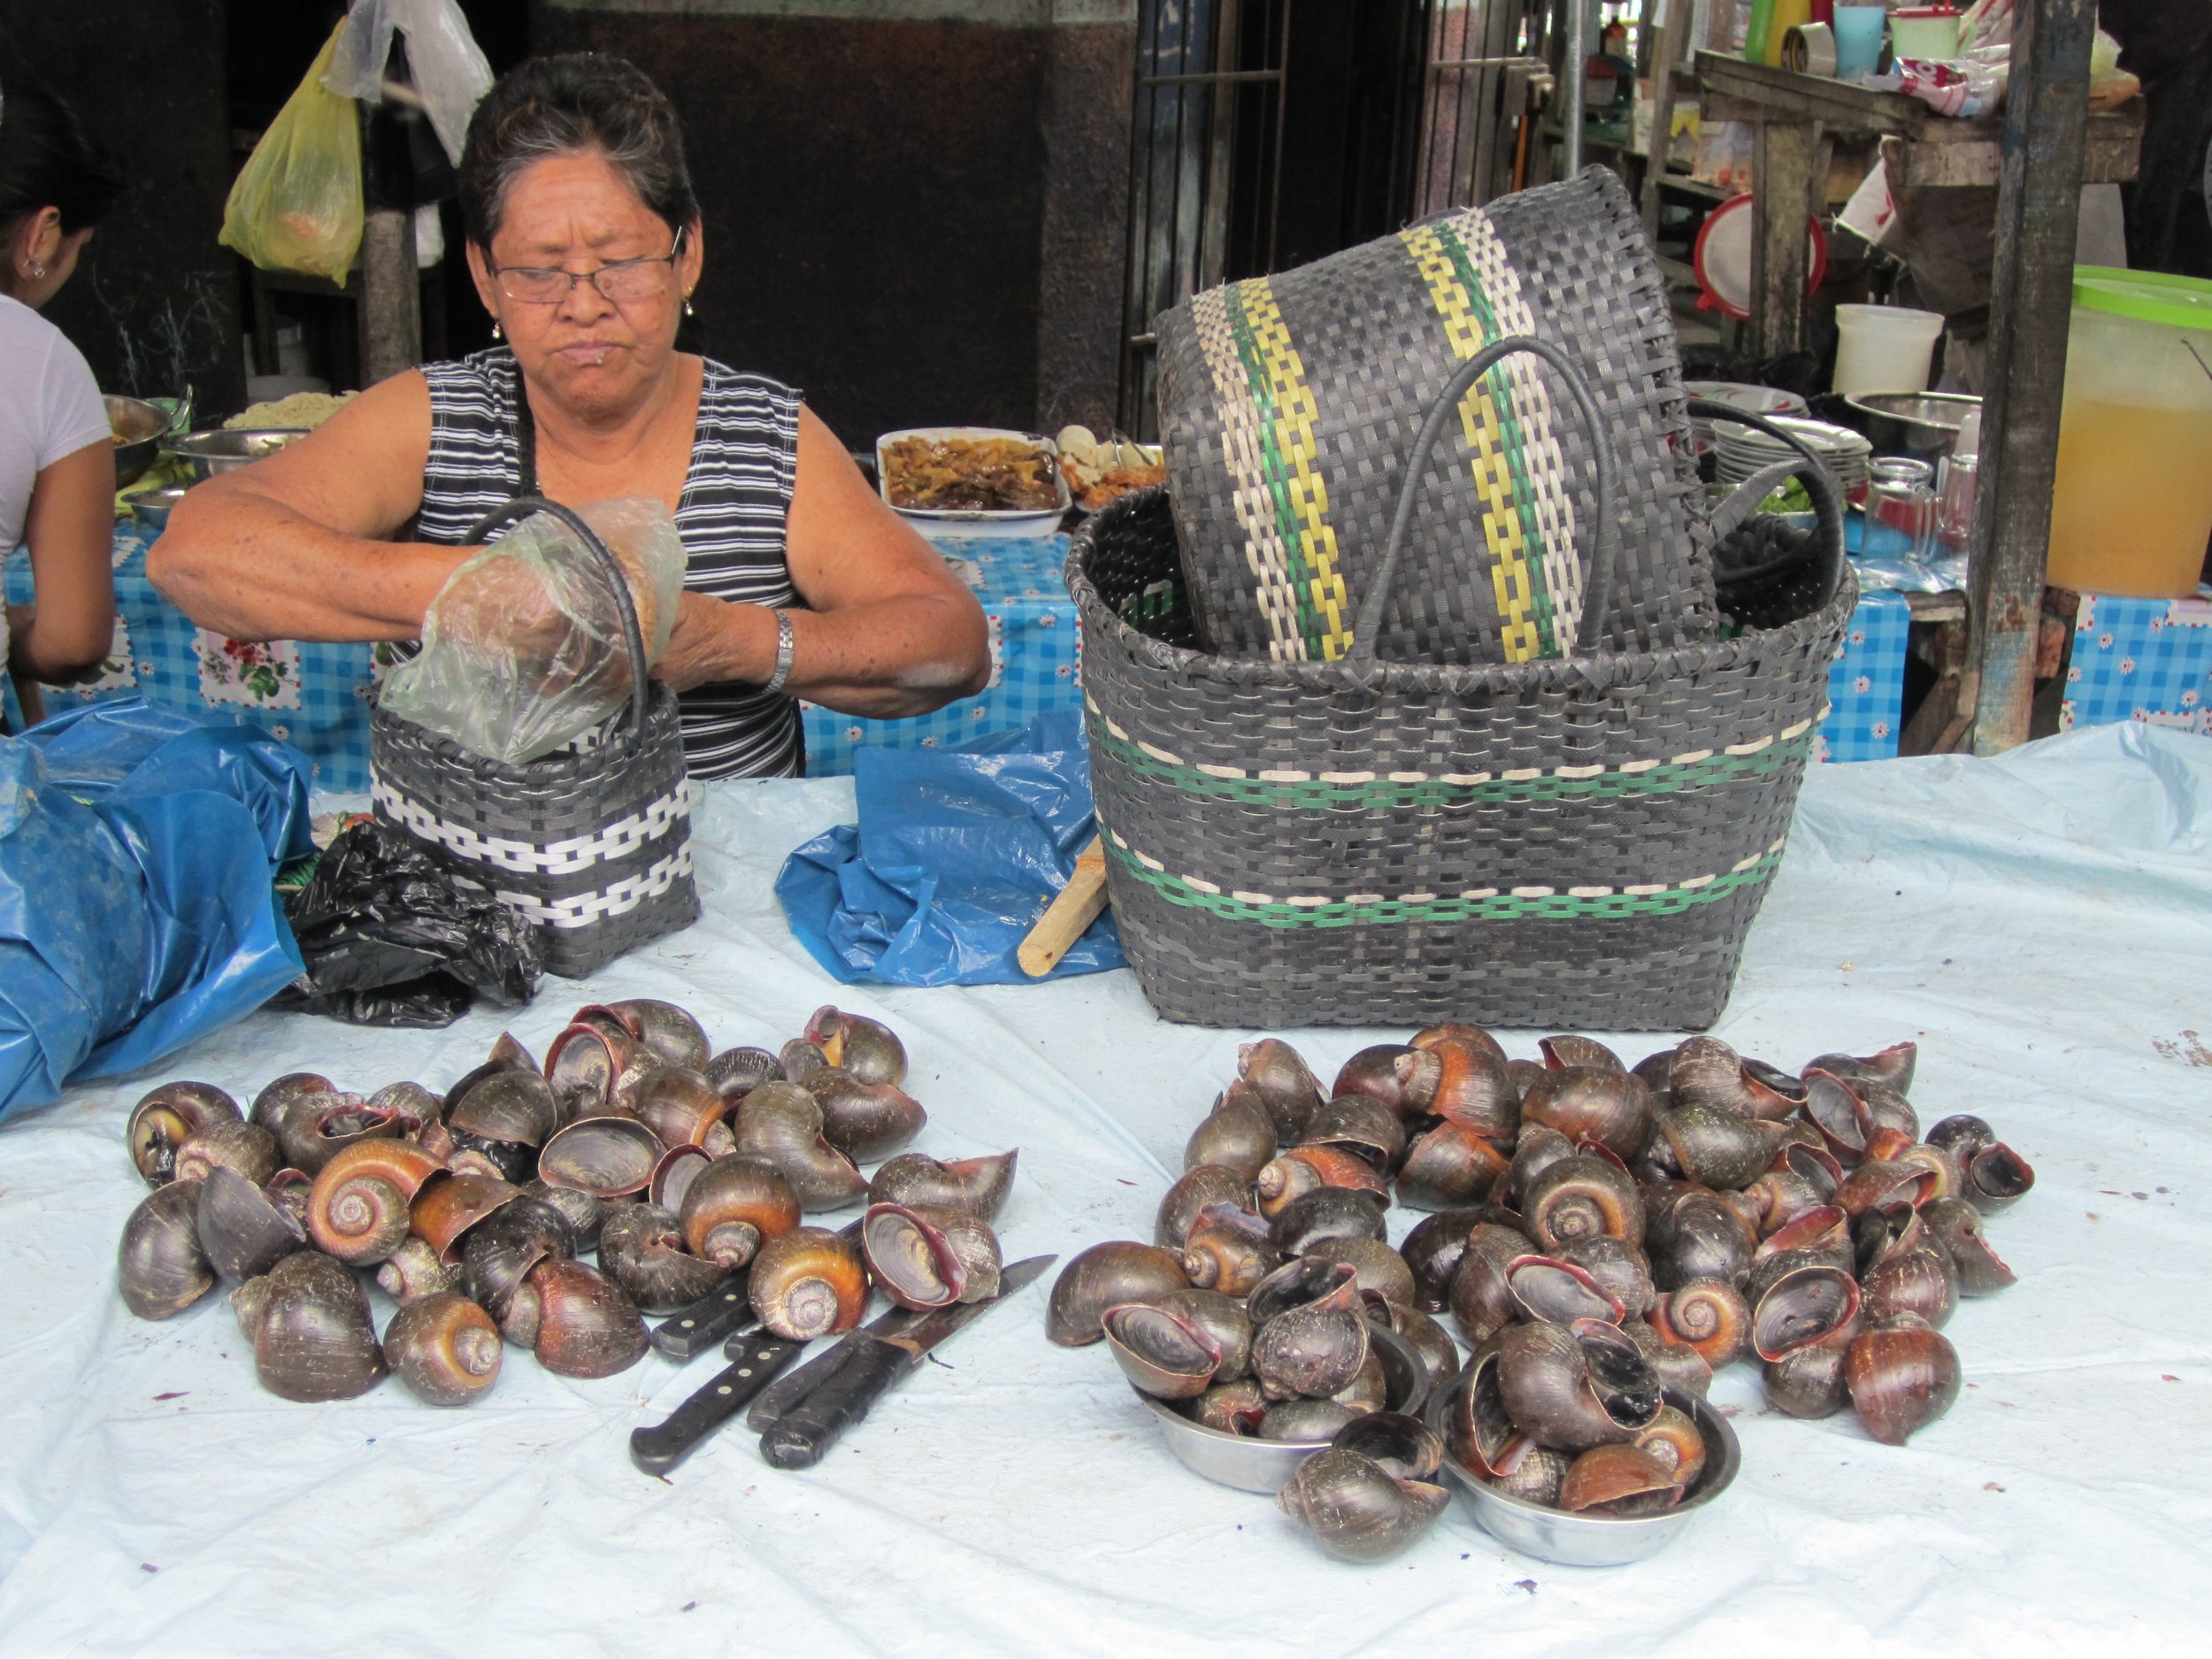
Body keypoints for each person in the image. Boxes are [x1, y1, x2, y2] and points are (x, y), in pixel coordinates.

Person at [152, 54, 989, 779]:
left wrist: (730, 642)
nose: (584, 305)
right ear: (483, 276)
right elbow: (196, 554)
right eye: (541, 270)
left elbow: (950, 643)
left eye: (621, 262)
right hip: (476, 872)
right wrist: (500, 594)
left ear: (685, 254)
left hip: (715, 893)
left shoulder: (767, 437)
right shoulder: (434, 417)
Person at [0, 73, 123, 730]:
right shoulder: (44, 360)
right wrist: (12, 633)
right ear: (43, 234)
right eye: (78, 248)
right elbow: (74, 641)